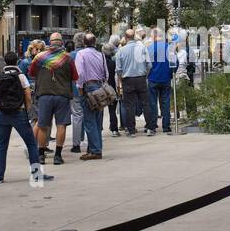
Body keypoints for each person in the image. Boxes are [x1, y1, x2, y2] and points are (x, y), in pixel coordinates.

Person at [0, 52, 52, 184]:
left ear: (5, 62)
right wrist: (27, 110)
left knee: (2, 146)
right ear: (17, 61)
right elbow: (28, 96)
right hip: (18, 113)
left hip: (2, 114)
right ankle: (36, 174)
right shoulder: (21, 76)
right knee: (31, 143)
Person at [30, 32, 79, 164]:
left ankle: (40, 155)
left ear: (49, 42)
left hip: (44, 94)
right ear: (61, 42)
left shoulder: (39, 58)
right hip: (62, 95)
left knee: (42, 125)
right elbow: (75, 77)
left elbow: (32, 73)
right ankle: (58, 155)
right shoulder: (67, 58)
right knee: (61, 125)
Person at [75, 32, 107, 160]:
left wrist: (80, 87)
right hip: (99, 86)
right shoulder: (101, 55)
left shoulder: (81, 54)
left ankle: (95, 150)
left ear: (84, 43)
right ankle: (95, 147)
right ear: (95, 42)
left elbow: (80, 73)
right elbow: (106, 73)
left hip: (87, 86)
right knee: (97, 120)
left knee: (89, 120)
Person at [114, 27, 150, 135]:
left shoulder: (121, 51)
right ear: (134, 36)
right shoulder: (142, 48)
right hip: (141, 78)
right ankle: (150, 127)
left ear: (125, 37)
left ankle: (131, 130)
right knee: (145, 103)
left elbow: (118, 69)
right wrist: (145, 75)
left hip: (127, 79)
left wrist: (121, 80)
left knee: (129, 105)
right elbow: (149, 64)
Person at [145, 28, 174, 135]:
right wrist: (171, 73)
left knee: (152, 103)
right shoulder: (169, 48)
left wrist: (147, 75)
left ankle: (152, 126)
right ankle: (166, 126)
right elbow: (175, 62)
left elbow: (146, 64)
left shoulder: (149, 48)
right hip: (166, 78)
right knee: (165, 102)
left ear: (154, 36)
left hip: (153, 78)